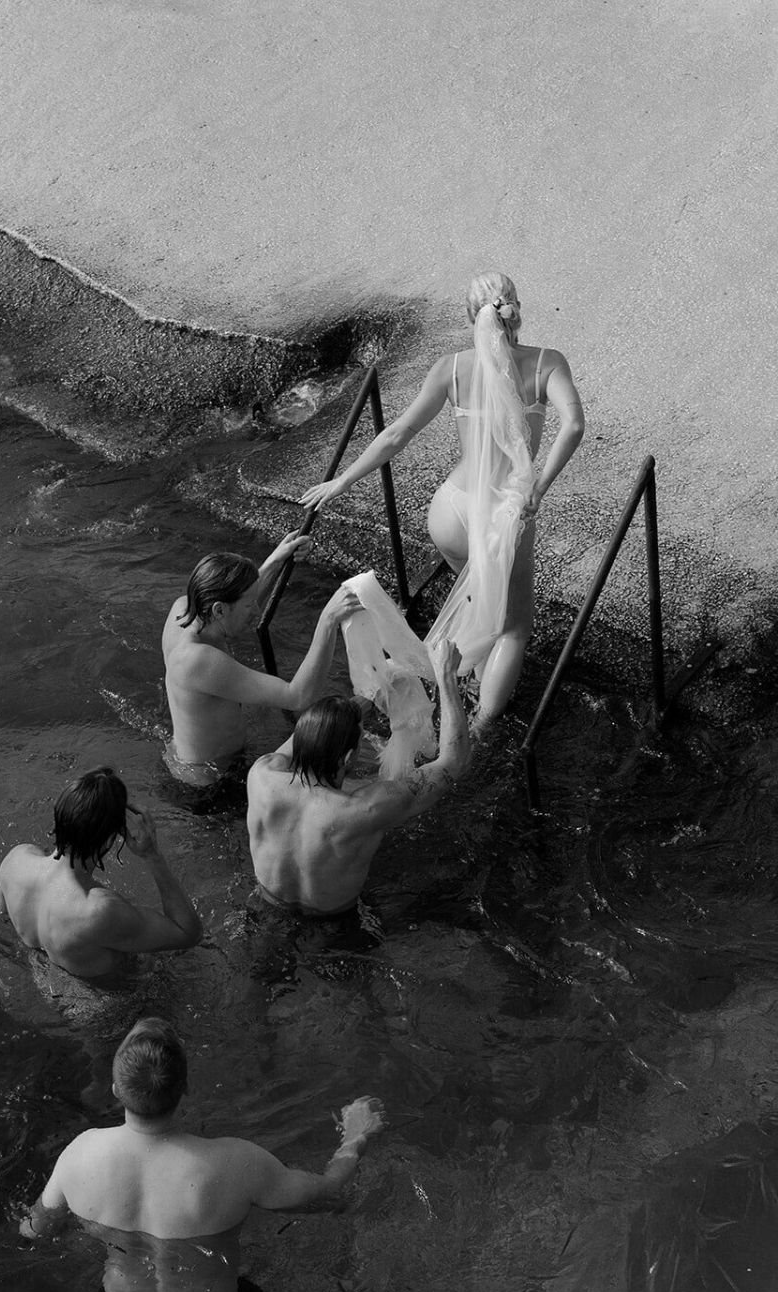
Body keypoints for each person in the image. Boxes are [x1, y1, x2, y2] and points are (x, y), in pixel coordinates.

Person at [300, 272, 585, 732]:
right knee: (514, 624)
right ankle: (476, 733)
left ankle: (462, 682)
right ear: (514, 307)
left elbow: (396, 434)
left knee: (479, 599)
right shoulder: (546, 364)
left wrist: (341, 481)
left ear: (472, 318)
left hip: (450, 511)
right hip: (502, 515)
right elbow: (573, 425)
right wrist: (537, 485)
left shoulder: (450, 368)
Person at [19, 1017, 385, 1292]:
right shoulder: (235, 1163)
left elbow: (35, 1230)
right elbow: (333, 1194)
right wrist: (356, 1136)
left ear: (116, 1091)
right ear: (186, 1090)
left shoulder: (79, 1154)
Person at [247, 638, 470, 915]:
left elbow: (316, 729)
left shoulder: (262, 775)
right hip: (335, 925)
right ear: (349, 757)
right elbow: (453, 761)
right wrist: (446, 678)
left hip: (265, 908)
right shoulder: (365, 808)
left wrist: (382, 680)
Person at [161, 530, 361, 786]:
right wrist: (328, 620)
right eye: (249, 605)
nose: (256, 611)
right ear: (219, 609)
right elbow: (298, 696)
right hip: (209, 784)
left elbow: (235, 604)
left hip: (201, 760)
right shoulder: (198, 660)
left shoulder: (185, 609)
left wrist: (276, 560)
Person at [0, 767, 202, 980]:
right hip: (108, 1007)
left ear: (60, 817)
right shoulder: (99, 911)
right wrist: (152, 855)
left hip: (50, 984)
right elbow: (188, 934)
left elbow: (0, 912)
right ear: (111, 838)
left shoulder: (16, 860)